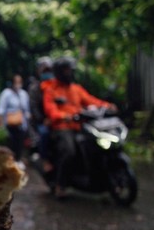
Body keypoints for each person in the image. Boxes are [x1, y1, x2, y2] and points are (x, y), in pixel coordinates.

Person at [43, 57, 116, 198]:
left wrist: (107, 106)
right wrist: (64, 116)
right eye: (67, 70)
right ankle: (60, 184)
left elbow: (91, 101)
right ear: (60, 72)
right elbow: (50, 110)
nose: (70, 73)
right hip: (62, 127)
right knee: (69, 151)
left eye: (71, 70)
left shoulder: (76, 89)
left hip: (80, 126)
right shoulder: (51, 89)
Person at [0, 74, 30, 167]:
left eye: (19, 82)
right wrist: (0, 125)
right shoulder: (6, 93)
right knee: (10, 144)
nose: (18, 84)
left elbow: (26, 110)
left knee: (19, 144)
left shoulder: (23, 94)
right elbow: (1, 110)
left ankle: (18, 160)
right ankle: (8, 162)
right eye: (16, 82)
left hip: (21, 124)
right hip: (9, 125)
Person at [28, 56, 54, 170]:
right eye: (44, 70)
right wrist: (43, 119)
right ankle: (45, 160)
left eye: (48, 70)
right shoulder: (35, 88)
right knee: (44, 134)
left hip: (55, 119)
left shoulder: (56, 86)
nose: (47, 73)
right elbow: (33, 107)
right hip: (41, 121)